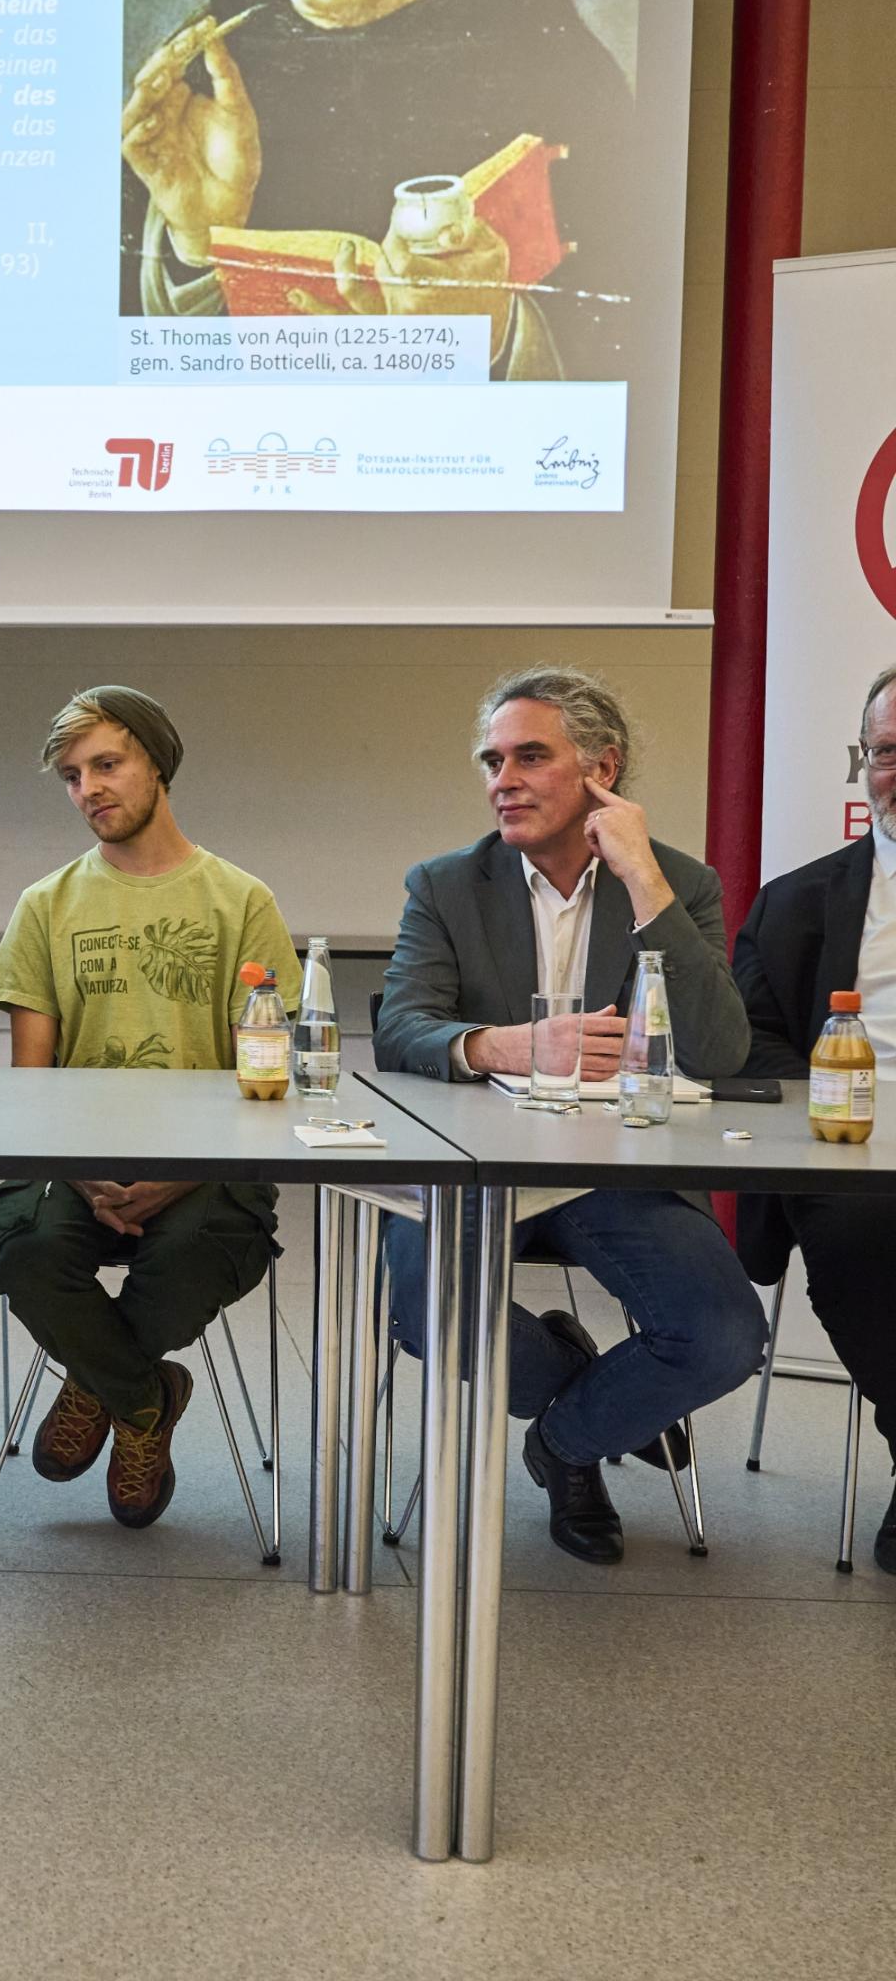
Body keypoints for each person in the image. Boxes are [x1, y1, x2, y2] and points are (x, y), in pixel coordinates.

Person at [374, 666, 766, 1563]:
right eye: (492, 758)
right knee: (420, 1307)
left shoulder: (677, 882)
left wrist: (642, 878)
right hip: (467, 1163)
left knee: (722, 1337)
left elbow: (719, 1051)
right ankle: (587, 1390)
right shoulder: (446, 885)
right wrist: (515, 1045)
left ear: (603, 770)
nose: (501, 779)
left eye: (530, 756)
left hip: (612, 1173)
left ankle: (563, 1444)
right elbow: (401, 1027)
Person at [0, 687, 296, 1526]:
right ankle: (147, 1398)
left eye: (107, 764)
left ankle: (98, 1385)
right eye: (71, 776)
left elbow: (261, 1079)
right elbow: (30, 1086)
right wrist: (85, 1179)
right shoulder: (44, 906)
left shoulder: (242, 902)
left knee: (200, 1250)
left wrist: (177, 1177)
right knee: (27, 1246)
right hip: (74, 1164)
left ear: (158, 763)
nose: (89, 788)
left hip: (209, 1170)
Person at [120, 0, 639, 375]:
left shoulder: (563, 75)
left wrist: (487, 339)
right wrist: (194, 246)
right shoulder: (211, 61)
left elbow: (623, 363)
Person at [733, 665, 896, 1574]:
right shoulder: (799, 900)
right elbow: (752, 1042)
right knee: (867, 1233)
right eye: (885, 752)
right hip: (854, 1147)